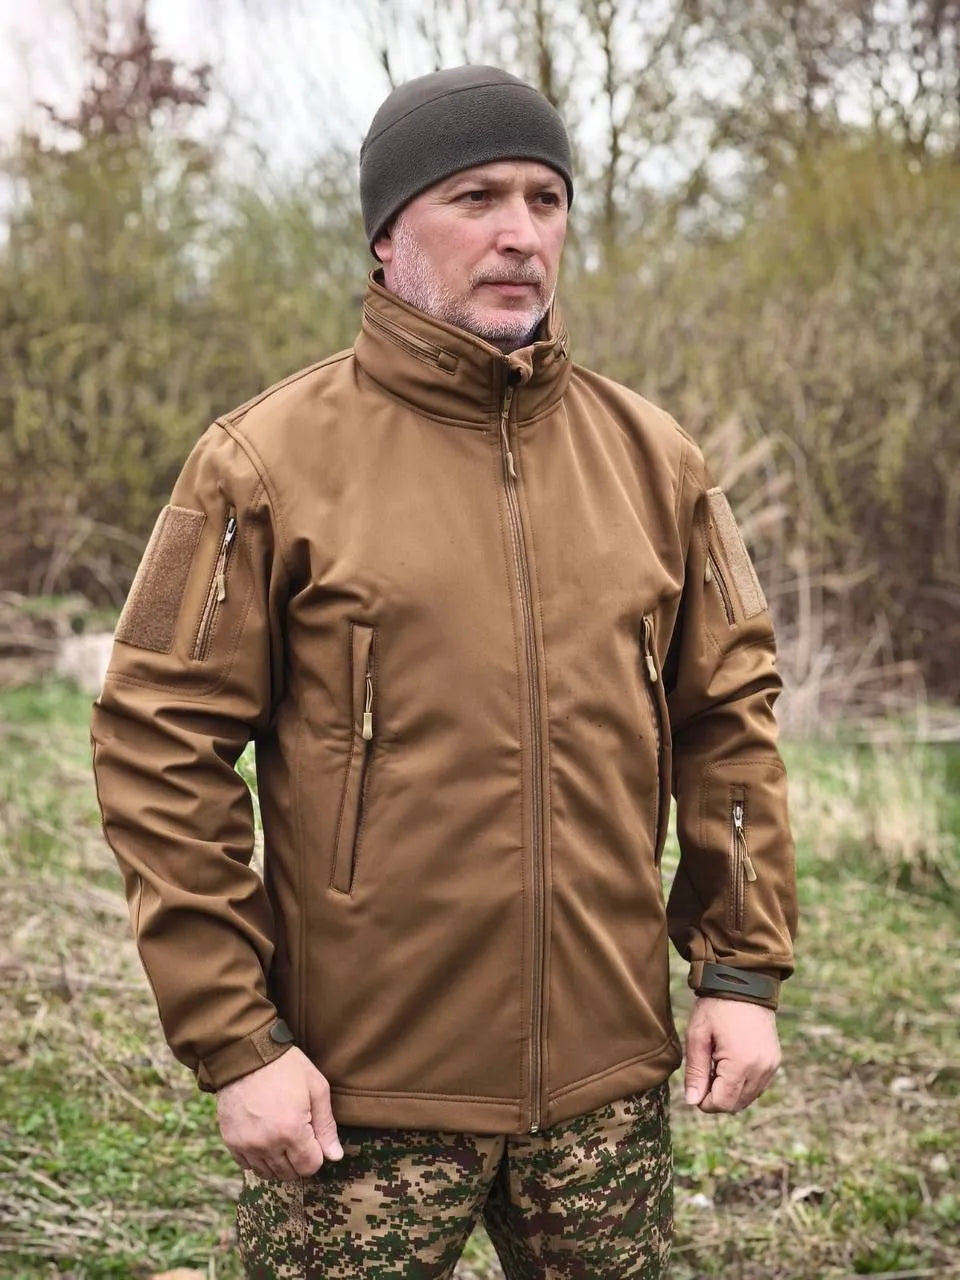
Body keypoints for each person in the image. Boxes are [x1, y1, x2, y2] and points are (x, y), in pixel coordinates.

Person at [91, 65, 798, 1279]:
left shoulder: (656, 461)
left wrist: (740, 967)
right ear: (386, 234)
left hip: (605, 1094)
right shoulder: (261, 463)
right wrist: (236, 1039)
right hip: (356, 1099)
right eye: (476, 197)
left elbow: (728, 718)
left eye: (544, 198)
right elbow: (156, 744)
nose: (520, 232)